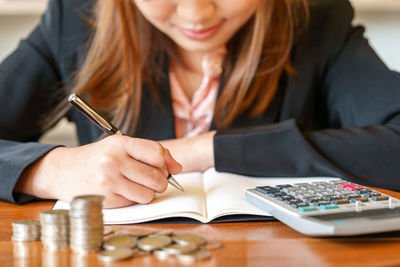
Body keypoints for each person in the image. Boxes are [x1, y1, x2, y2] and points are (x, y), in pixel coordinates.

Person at [0, 0, 399, 208]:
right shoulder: (75, 19)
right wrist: (52, 170)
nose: (196, 14)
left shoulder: (317, 21)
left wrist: (203, 149)